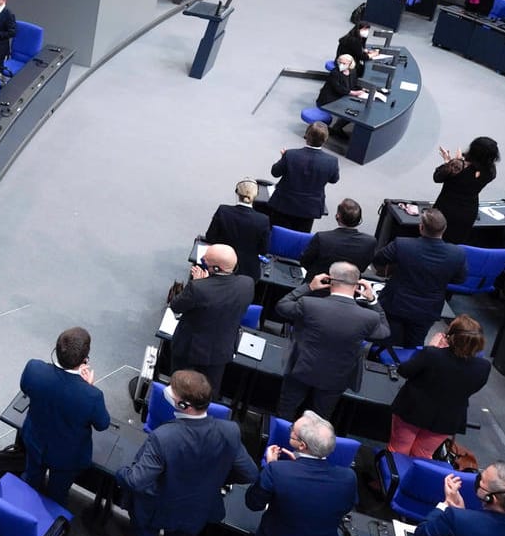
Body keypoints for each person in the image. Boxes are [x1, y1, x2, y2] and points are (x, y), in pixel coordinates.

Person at [114, 369, 257, 536]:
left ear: (183, 405)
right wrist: (217, 477)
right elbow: (250, 473)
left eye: (172, 389)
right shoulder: (230, 431)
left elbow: (137, 480)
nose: (167, 390)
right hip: (196, 510)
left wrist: (122, 472)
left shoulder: (163, 437)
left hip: (156, 508)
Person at [246, 411, 359, 536]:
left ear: (302, 445)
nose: (290, 431)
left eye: (292, 431)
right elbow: (345, 506)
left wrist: (271, 468)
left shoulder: (277, 471)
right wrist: (293, 468)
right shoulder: (348, 477)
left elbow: (253, 503)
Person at [271, 262, 391, 419]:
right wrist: (373, 300)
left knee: (286, 411)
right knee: (320, 419)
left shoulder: (309, 304)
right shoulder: (369, 317)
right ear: (358, 285)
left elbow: (282, 306)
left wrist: (309, 287)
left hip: (301, 368)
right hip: (337, 377)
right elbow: (384, 332)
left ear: (329, 280)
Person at [18, 326, 111, 503]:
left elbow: (25, 387)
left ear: (57, 350)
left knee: (30, 479)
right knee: (57, 495)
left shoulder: (34, 369)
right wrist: (87, 387)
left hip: (34, 442)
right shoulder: (92, 396)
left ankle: (22, 508)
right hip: (67, 457)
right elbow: (102, 424)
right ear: (85, 360)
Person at [389, 316, 491, 458]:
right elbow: (473, 388)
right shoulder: (484, 366)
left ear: (451, 337)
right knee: (423, 455)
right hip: (447, 419)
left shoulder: (432, 354)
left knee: (398, 451)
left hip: (412, 410)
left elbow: (404, 371)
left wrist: (431, 347)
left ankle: (392, 478)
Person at [167, 243, 254, 396]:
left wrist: (199, 282)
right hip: (220, 352)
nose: (202, 260)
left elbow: (176, 306)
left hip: (190, 351)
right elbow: (220, 296)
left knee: (179, 389)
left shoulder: (198, 288)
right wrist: (209, 282)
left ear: (215, 268)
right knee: (208, 394)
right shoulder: (247, 284)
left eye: (205, 260)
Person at [375, 210, 467, 347]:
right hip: (427, 309)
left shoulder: (402, 244)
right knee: (415, 344)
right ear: (445, 228)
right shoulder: (457, 253)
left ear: (421, 227)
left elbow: (378, 259)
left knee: (387, 341)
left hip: (395, 304)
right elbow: (460, 279)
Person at [267, 123, 340, 234]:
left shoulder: (290, 155)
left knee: (276, 235)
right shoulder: (331, 161)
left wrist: (283, 158)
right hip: (309, 209)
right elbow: (334, 179)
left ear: (306, 135)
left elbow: (275, 172)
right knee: (300, 239)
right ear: (325, 139)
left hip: (284, 204)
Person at [430, 137, 498, 245]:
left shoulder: (458, 166)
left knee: (434, 241)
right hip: (468, 212)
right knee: (455, 243)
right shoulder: (491, 171)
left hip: (446, 210)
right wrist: (457, 162)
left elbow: (437, 177)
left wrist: (449, 162)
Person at [301, 199, 376, 279]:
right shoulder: (370, 242)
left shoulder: (321, 238)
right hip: (349, 286)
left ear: (337, 216)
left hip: (317, 284)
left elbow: (305, 262)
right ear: (359, 220)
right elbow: (362, 268)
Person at [204, 179, 271, 257]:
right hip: (248, 267)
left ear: (237, 192)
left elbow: (210, 237)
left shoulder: (222, 211)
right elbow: (263, 250)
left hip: (221, 260)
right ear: (256, 195)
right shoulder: (263, 220)